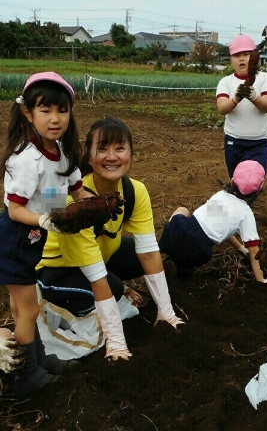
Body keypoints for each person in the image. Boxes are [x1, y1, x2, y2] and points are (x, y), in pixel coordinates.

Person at [36, 117, 184, 363]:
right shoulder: (76, 204)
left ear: (132, 154)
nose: (112, 157)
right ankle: (110, 293)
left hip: (99, 256)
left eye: (120, 148)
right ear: (89, 156)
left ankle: (127, 292)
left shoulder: (135, 191)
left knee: (149, 257)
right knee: (111, 287)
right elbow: (95, 274)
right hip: (55, 269)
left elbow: (147, 251)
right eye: (102, 149)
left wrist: (166, 312)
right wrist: (116, 341)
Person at [0, 72, 87, 398]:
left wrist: (98, 208)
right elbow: (14, 210)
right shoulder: (28, 159)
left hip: (34, 238)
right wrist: (47, 219)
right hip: (16, 240)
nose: (55, 119)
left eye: (61, 111)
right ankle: (26, 377)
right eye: (45, 110)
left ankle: (37, 359)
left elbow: (78, 189)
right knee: (29, 309)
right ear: (28, 113)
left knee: (25, 308)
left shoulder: (62, 151)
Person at [159, 160, 267, 286]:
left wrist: (239, 248)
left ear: (232, 181)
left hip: (178, 231)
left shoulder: (220, 195)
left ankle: (171, 254)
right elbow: (254, 252)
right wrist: (261, 281)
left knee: (182, 210)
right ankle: (181, 266)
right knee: (188, 258)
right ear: (260, 188)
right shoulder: (246, 214)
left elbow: (216, 224)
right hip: (199, 251)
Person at [216, 34, 267, 178]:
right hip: (233, 141)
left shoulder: (265, 79)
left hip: (259, 142)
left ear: (254, 57)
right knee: (237, 181)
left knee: (253, 180)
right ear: (231, 60)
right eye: (237, 55)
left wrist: (254, 97)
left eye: (246, 54)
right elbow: (222, 108)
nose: (241, 58)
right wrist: (235, 99)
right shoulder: (226, 82)